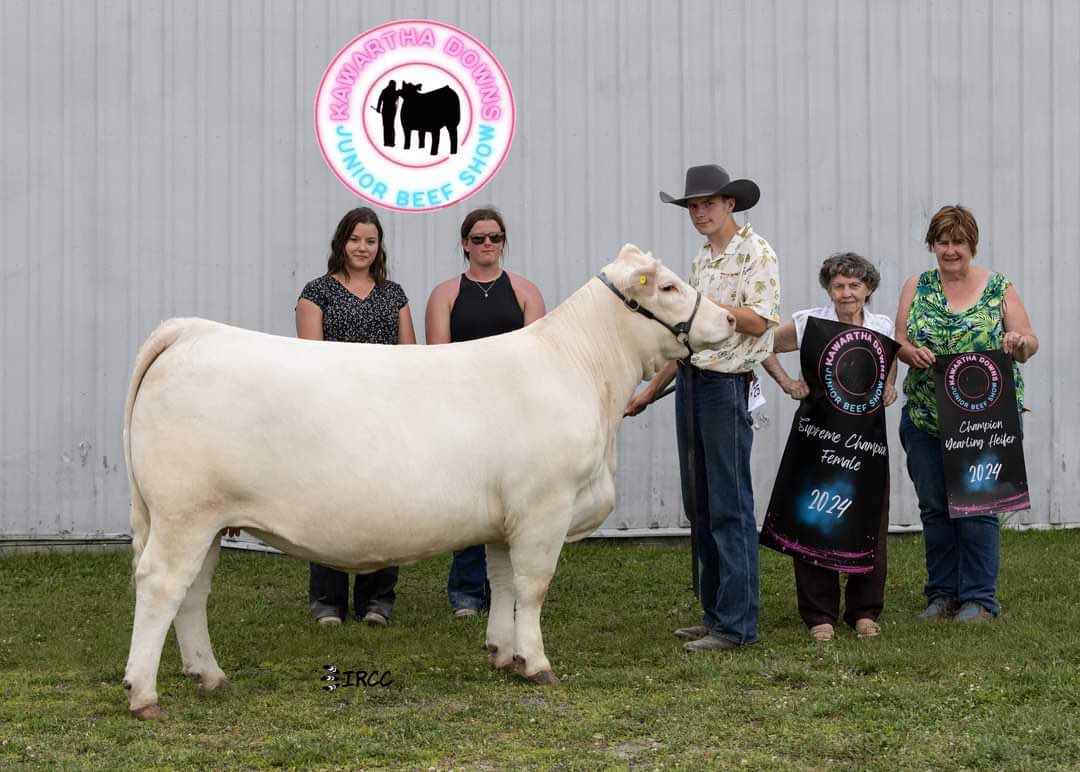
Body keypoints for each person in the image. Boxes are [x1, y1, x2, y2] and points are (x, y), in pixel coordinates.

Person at [626, 164, 780, 652]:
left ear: (730, 204)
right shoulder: (701, 259)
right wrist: (651, 390)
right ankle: (717, 613)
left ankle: (736, 625)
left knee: (729, 504)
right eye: (693, 207)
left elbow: (761, 322)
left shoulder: (757, 253)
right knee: (702, 503)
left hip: (726, 385)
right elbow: (685, 338)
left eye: (708, 204)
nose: (699, 213)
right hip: (692, 382)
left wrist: (710, 311)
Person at [895, 204, 1038, 623]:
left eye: (958, 241)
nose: (950, 249)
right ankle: (942, 595)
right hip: (926, 416)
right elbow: (897, 342)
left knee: (979, 505)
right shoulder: (916, 286)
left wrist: (1019, 341)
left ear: (971, 244)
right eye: (943, 241)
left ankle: (979, 598)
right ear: (932, 245)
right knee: (935, 507)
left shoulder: (998, 287)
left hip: (985, 420)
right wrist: (909, 352)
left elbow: (1030, 342)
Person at [762, 252, 897, 641]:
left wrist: (890, 384)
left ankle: (865, 612)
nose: (846, 293)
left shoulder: (882, 325)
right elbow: (761, 343)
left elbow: (892, 361)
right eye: (838, 285)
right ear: (828, 288)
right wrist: (788, 382)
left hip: (865, 445)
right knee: (814, 520)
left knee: (868, 521)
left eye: (854, 285)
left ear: (868, 289)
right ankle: (818, 615)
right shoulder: (808, 323)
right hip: (817, 441)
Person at [295, 207, 417, 626]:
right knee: (329, 503)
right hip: (333, 415)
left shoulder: (394, 294)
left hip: (387, 416)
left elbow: (409, 359)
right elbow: (310, 360)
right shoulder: (316, 293)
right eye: (354, 239)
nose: (362, 248)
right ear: (341, 243)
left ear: (378, 246)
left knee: (385, 503)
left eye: (370, 240)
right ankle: (326, 602)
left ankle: (377, 600)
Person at [425, 207, 545, 618]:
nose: (487, 244)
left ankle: (506, 591)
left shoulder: (526, 291)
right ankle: (465, 591)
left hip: (515, 415)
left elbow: (537, 357)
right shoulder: (446, 294)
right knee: (469, 503)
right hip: (465, 413)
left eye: (494, 237)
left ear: (503, 242)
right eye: (478, 238)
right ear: (465, 244)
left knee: (512, 502)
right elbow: (438, 358)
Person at [375, 80, 399, 147]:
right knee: (391, 126)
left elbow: (380, 99)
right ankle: (391, 142)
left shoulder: (384, 91)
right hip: (392, 111)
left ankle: (386, 142)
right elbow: (397, 103)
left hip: (385, 110)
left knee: (386, 126)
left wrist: (378, 108)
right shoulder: (395, 92)